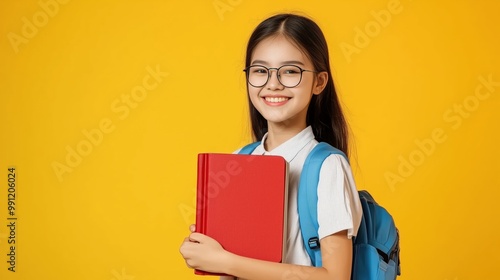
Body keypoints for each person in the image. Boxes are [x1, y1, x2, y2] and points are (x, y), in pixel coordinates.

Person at [180, 13, 363, 280]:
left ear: (319, 82)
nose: (273, 83)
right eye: (260, 71)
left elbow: (335, 277)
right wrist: (208, 253)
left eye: (290, 71)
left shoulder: (327, 166)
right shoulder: (239, 160)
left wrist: (226, 261)